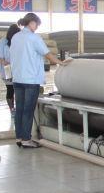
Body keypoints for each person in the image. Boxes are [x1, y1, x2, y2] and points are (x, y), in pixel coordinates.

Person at [9, 12, 70, 148]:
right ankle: (26, 140)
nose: (37, 27)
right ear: (32, 22)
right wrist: (61, 63)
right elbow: (47, 54)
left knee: (19, 109)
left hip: (17, 78)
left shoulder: (16, 37)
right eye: (36, 24)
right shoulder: (34, 38)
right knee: (28, 110)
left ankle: (19, 137)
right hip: (30, 80)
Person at [0, 23, 21, 119]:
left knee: (19, 90)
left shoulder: (19, 41)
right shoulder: (3, 42)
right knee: (10, 89)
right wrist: (5, 62)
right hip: (7, 69)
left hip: (18, 69)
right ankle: (12, 109)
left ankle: (19, 108)